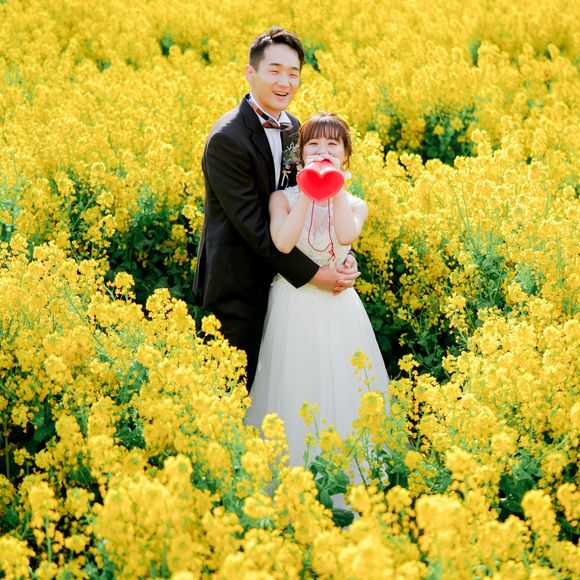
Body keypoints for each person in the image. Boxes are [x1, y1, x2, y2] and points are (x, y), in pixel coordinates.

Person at [193, 27, 359, 387]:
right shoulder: (227, 139)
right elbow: (254, 228)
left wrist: (341, 255)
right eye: (275, 71)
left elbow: (314, 201)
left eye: (293, 73)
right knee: (233, 392)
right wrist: (316, 275)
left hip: (287, 289)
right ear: (250, 73)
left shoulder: (295, 129)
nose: (285, 82)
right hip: (240, 289)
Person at [245, 112, 390, 466]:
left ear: (345, 155)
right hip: (292, 305)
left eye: (332, 144)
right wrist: (309, 191)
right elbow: (283, 242)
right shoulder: (282, 199)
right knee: (294, 384)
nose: (322, 151)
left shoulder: (355, 204)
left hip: (339, 308)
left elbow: (346, 235)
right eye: (313, 144)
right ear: (300, 154)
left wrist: (332, 187)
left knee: (342, 385)